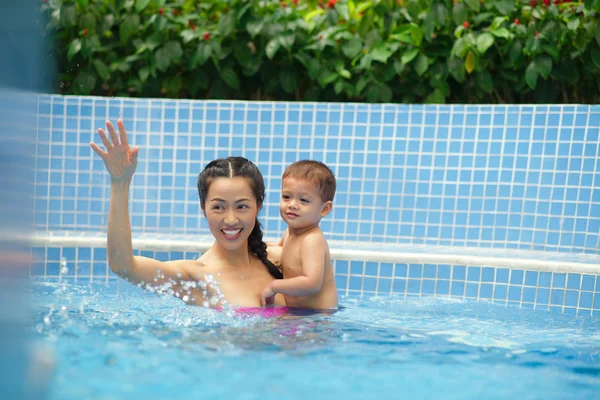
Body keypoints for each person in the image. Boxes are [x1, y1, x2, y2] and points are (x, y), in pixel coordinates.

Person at [90, 119, 286, 308]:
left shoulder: (279, 260)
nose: (231, 219)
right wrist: (119, 183)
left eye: (241, 206)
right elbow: (122, 265)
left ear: (259, 204)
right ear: (203, 207)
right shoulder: (195, 278)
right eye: (219, 207)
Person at [260, 160, 338, 309]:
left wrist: (274, 286)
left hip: (317, 316)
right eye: (286, 197)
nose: (292, 204)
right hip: (298, 312)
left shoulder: (312, 240)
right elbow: (280, 250)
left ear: (325, 209)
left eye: (304, 200)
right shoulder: (290, 231)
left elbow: (312, 283)